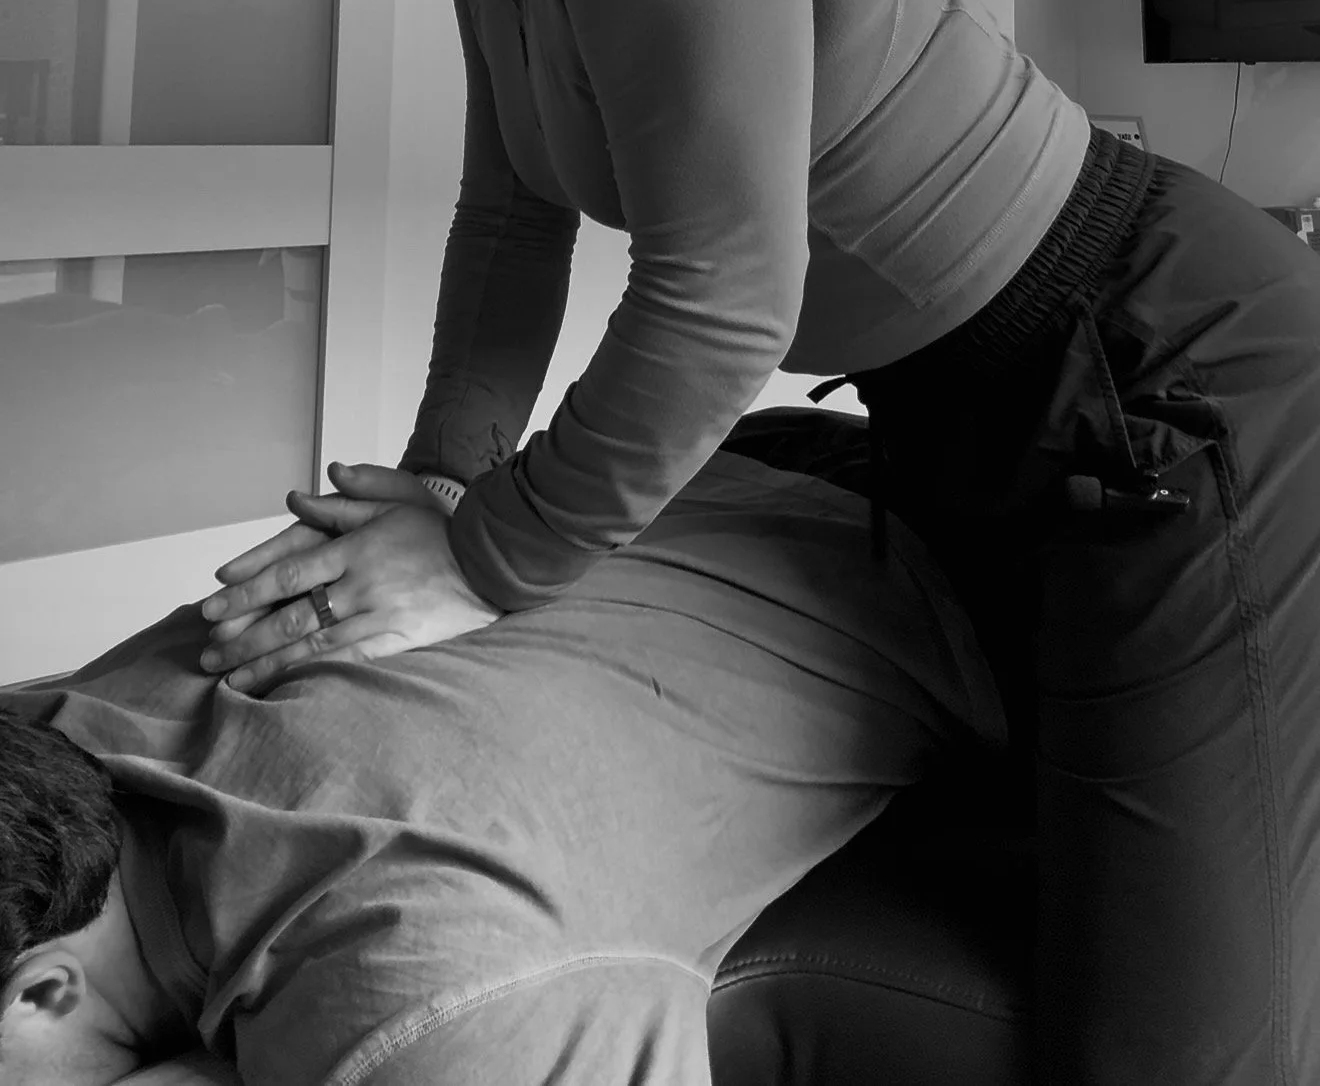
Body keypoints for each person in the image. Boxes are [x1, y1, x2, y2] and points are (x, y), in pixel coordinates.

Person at [154, 0, 1320, 1082]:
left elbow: (718, 296)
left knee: (1174, 1045)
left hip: (1153, 368)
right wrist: (437, 480)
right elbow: (510, 227)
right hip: (963, 407)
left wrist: (487, 553)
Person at [0, 447, 1006, 1086]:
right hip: (734, 467)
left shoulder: (423, 1007)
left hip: (996, 586)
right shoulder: (49, 728)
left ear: (42, 994)